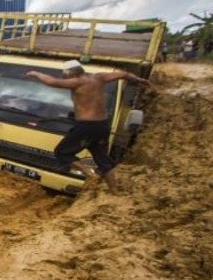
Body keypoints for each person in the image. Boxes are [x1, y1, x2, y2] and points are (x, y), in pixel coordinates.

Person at [24, 60, 150, 193]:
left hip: (87, 126)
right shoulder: (99, 77)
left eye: (64, 74)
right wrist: (139, 79)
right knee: (102, 160)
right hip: (102, 126)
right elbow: (123, 74)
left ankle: (89, 174)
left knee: (62, 152)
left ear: (69, 72)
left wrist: (36, 73)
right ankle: (114, 190)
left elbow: (52, 82)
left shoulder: (77, 82)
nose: (64, 76)